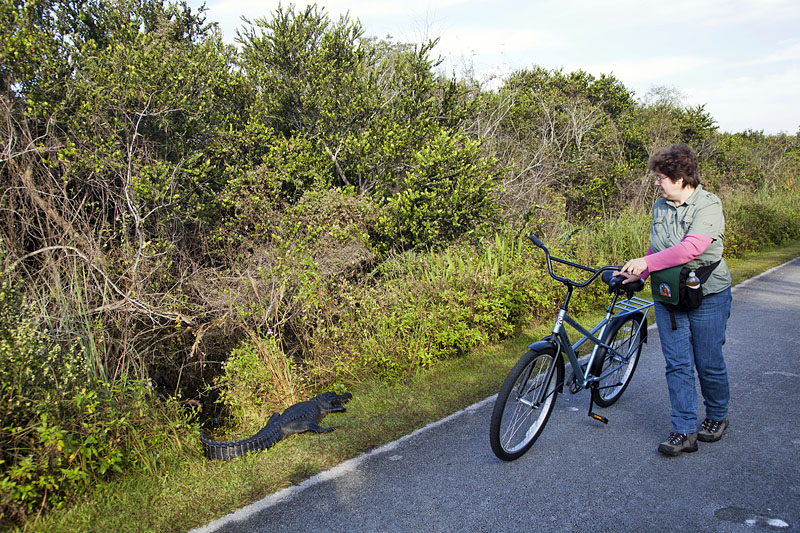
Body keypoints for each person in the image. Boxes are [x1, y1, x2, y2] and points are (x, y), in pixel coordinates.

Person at [615, 143, 732, 456]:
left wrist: (647, 264)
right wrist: (639, 273)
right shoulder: (659, 208)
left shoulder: (708, 205)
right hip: (669, 296)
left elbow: (690, 249)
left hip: (707, 295)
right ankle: (683, 429)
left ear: (681, 179)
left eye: (661, 177)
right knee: (678, 364)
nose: (657, 182)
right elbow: (659, 250)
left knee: (708, 362)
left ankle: (718, 416)